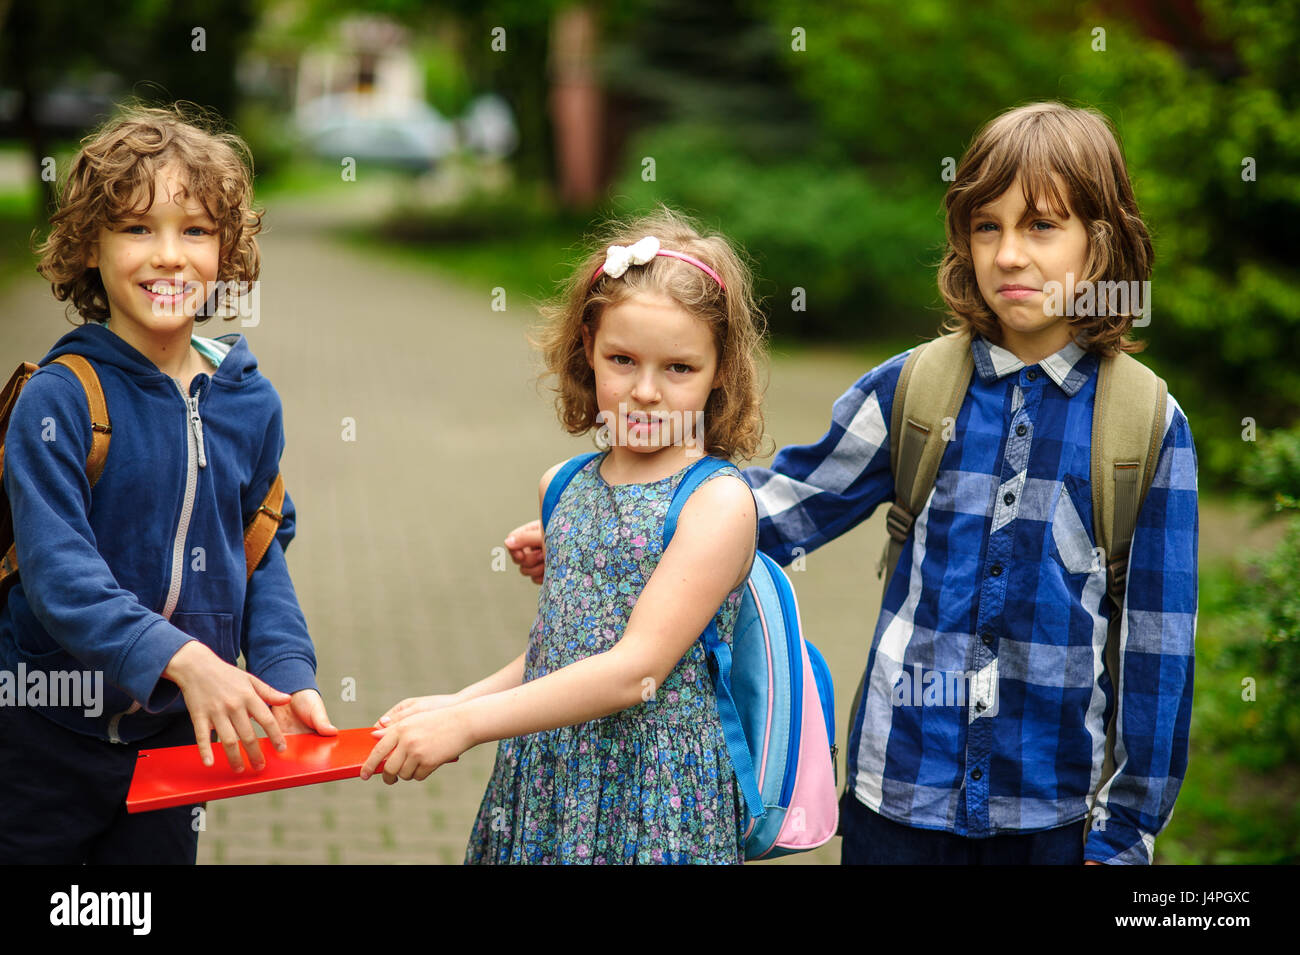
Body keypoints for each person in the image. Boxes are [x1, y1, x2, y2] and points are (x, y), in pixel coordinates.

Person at [503, 103, 1198, 865]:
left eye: (1040, 227)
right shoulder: (915, 387)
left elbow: (1159, 650)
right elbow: (781, 505)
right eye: (987, 226)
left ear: (1099, 245)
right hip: (893, 794)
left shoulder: (1143, 424)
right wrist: (619, 535)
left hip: (1052, 812)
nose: (1008, 254)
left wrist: (1124, 832)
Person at [362, 208, 768, 864]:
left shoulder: (717, 503)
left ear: (722, 367)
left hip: (653, 797)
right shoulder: (563, 484)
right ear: (588, 345)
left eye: (679, 369)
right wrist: (452, 703)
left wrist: (467, 725)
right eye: (623, 359)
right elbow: (562, 652)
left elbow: (633, 670)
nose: (645, 392)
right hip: (550, 774)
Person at [0, 102, 335, 864]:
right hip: (42, 732)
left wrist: (287, 671)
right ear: (89, 245)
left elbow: (259, 548)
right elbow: (59, 578)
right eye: (136, 228)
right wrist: (189, 661)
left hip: (172, 740)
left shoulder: (248, 398)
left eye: (194, 231)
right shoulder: (60, 396)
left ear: (227, 249)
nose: (169, 255)